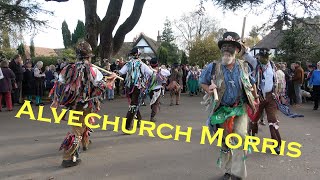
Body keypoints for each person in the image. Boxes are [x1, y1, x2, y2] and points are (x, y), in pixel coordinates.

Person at [200, 32, 258, 180]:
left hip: (239, 108)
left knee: (239, 136)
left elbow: (252, 83)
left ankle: (238, 173)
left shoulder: (243, 66)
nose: (226, 49)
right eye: (224, 46)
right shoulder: (213, 67)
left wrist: (255, 98)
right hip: (221, 109)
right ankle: (228, 170)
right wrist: (210, 90)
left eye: (230, 47)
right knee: (225, 141)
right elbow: (203, 82)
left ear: (237, 50)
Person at [51, 41, 114, 168]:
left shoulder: (67, 68)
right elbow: (101, 85)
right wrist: (111, 79)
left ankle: (85, 143)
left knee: (83, 124)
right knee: (77, 130)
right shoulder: (92, 69)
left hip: (73, 104)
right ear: (88, 57)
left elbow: (59, 83)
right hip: (86, 104)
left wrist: (59, 100)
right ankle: (68, 158)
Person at [248, 48, 282, 155]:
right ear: (259, 57)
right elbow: (245, 54)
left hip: (270, 97)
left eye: (266, 56)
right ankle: (252, 136)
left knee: (273, 120)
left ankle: (276, 144)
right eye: (262, 56)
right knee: (254, 118)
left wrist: (276, 93)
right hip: (258, 96)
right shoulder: (255, 64)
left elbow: (274, 81)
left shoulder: (272, 65)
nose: (264, 58)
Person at [118, 47, 154, 131]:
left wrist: (115, 73)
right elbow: (151, 73)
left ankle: (139, 120)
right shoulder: (142, 64)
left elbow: (121, 72)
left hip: (129, 87)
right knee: (133, 105)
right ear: (138, 55)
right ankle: (127, 126)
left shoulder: (128, 64)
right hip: (137, 88)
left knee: (134, 104)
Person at [148, 58, 170, 122]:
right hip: (157, 89)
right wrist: (160, 69)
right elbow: (168, 73)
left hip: (150, 89)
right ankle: (152, 116)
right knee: (155, 103)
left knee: (153, 102)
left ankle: (153, 113)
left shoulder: (148, 70)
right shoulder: (160, 70)